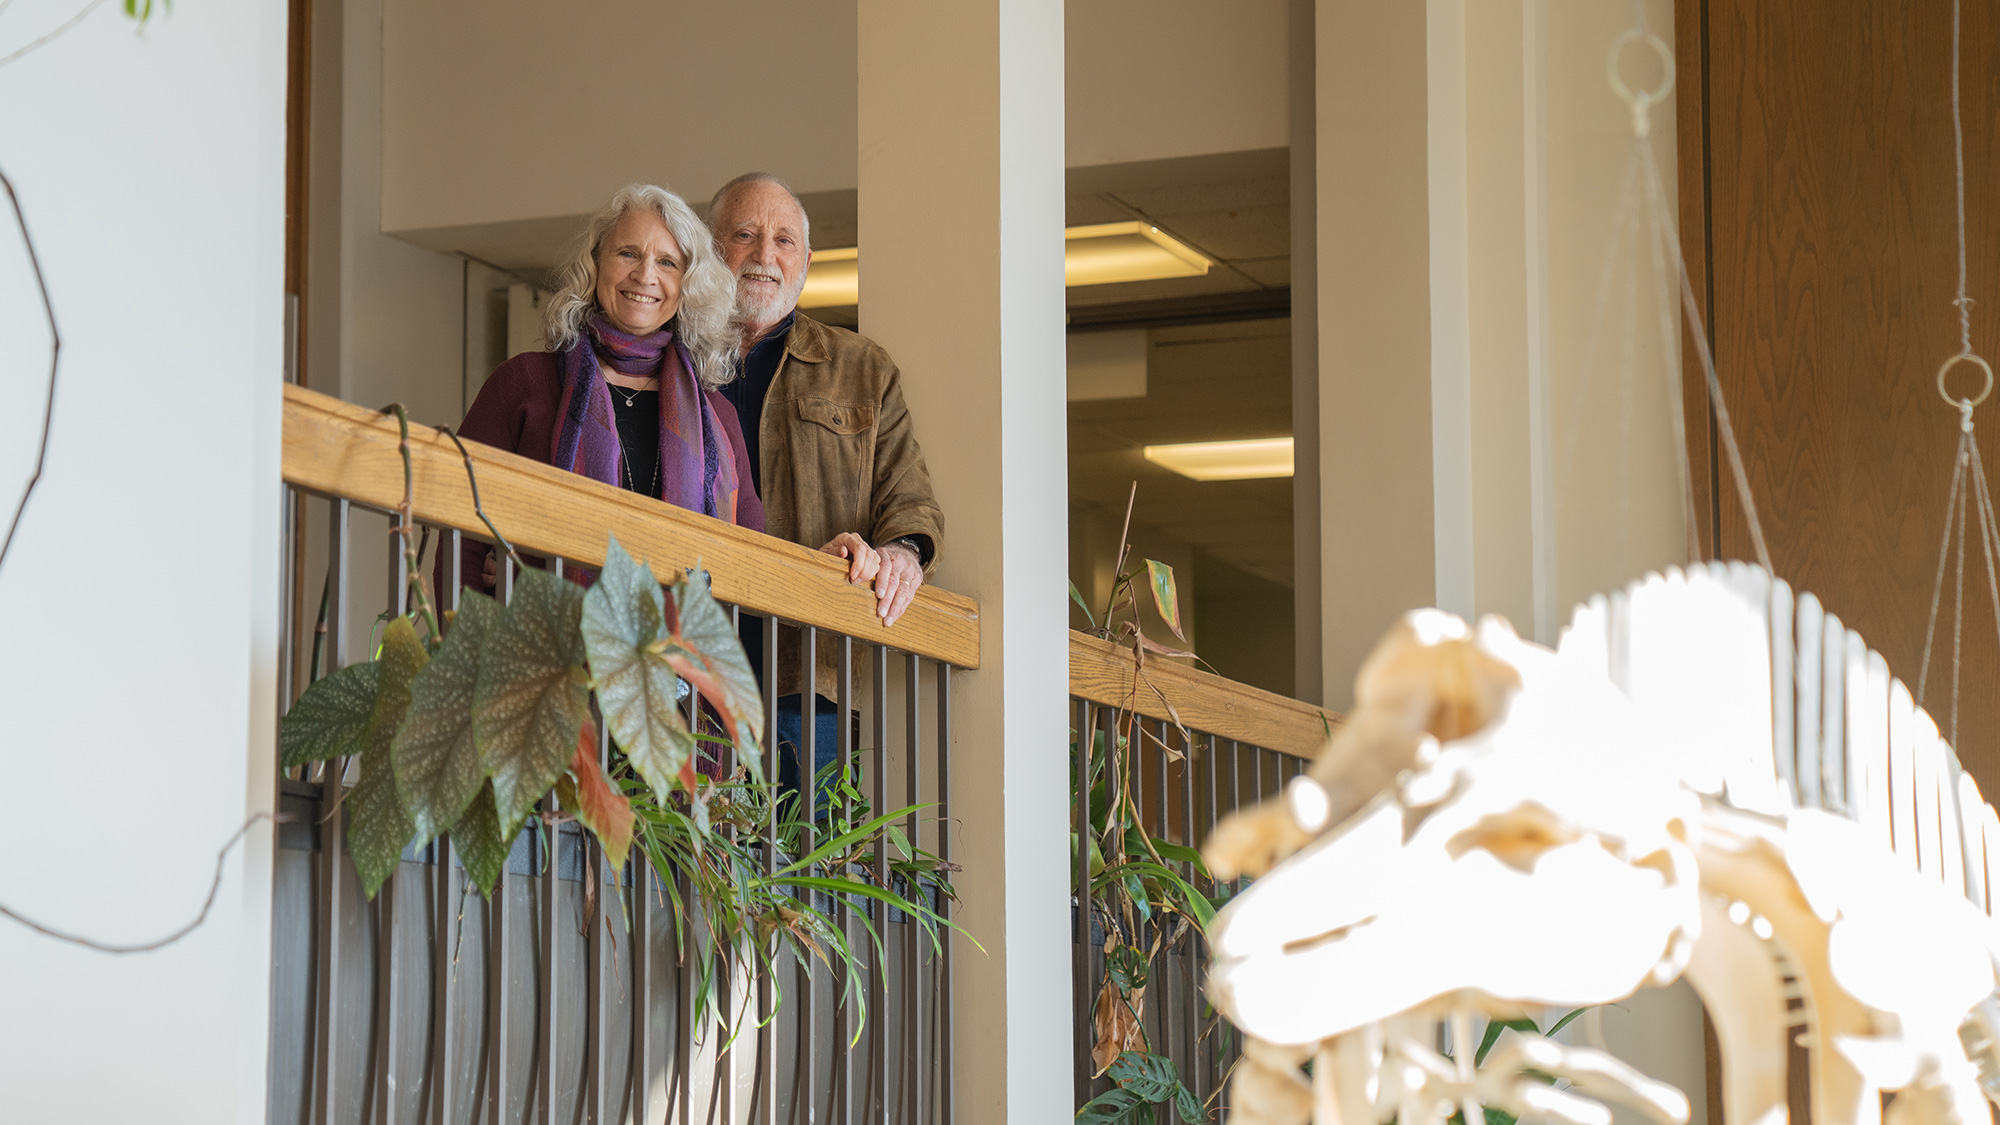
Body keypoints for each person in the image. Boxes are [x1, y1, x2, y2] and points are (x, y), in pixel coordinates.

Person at [706, 172, 946, 801]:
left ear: (807, 263)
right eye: (745, 235)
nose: (765, 255)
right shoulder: (669, 359)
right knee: (676, 880)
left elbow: (910, 501)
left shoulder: (863, 370)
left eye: (784, 240)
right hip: (685, 665)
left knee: (799, 884)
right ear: (710, 248)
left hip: (808, 675)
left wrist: (899, 554)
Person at [448, 183, 763, 601]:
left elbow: (755, 556)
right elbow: (460, 528)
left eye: (667, 262)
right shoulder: (523, 383)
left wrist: (827, 560)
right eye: (628, 253)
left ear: (686, 285)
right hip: (538, 654)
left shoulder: (716, 417)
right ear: (596, 263)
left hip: (672, 661)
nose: (645, 275)